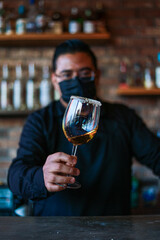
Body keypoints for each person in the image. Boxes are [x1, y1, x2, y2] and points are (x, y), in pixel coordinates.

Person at [7, 39, 160, 216]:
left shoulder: (123, 117)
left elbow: (156, 155)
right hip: (55, 231)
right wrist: (42, 177)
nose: (77, 81)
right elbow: (16, 174)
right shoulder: (40, 120)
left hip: (114, 230)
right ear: (55, 80)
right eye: (66, 74)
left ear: (97, 75)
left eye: (85, 73)